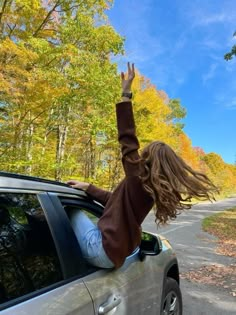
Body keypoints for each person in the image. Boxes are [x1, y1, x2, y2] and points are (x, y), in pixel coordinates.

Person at [67, 62, 218, 269]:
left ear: (149, 156)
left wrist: (126, 95)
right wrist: (89, 188)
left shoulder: (138, 177)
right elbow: (115, 201)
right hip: (114, 255)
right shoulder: (147, 187)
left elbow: (127, 140)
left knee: (68, 210)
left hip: (100, 249)